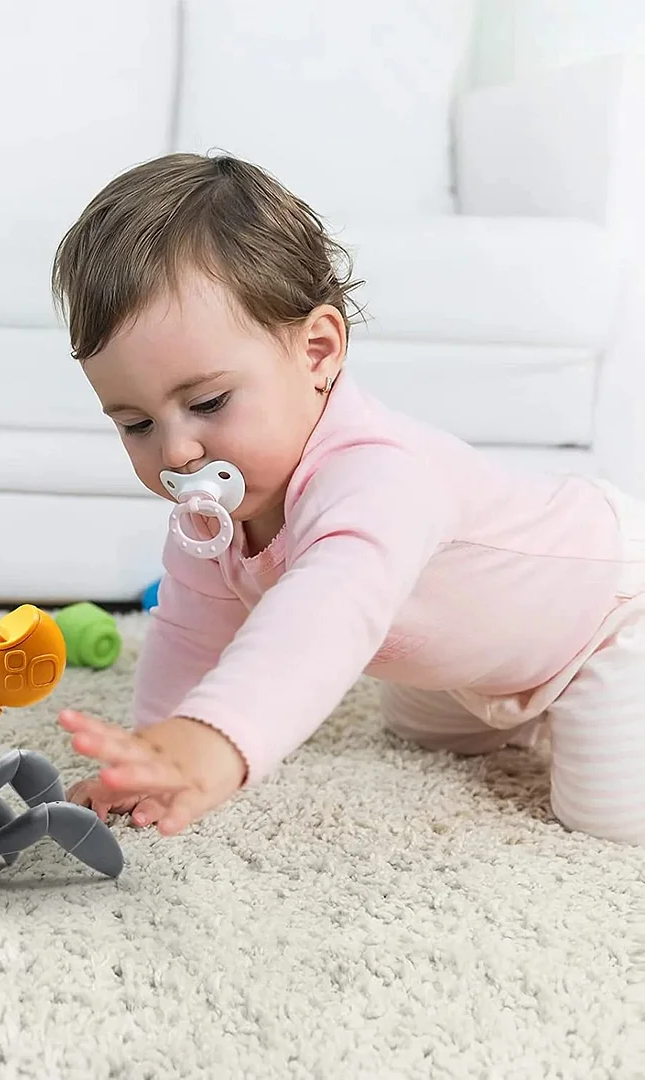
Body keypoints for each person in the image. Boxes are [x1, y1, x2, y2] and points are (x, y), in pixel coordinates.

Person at [49, 151, 645, 846]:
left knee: (610, 820)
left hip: (605, 611)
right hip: (468, 650)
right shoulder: (213, 518)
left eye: (207, 402)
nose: (176, 452)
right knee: (420, 729)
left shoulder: (380, 478)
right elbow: (191, 631)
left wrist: (212, 739)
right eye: (137, 424)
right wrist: (158, 756)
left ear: (318, 352)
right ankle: (509, 705)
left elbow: (325, 615)